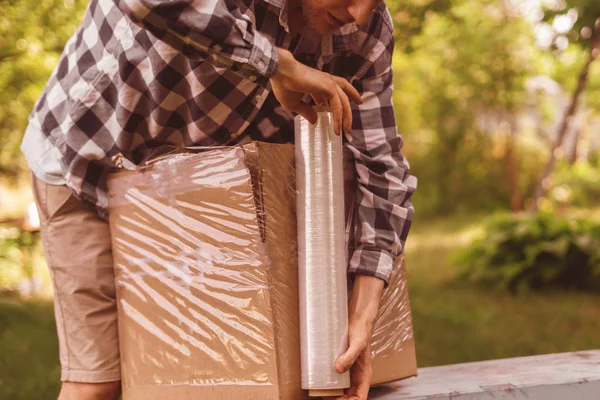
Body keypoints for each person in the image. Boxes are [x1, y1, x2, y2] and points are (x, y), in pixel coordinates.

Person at [21, 0, 417, 399]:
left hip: (193, 195)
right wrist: (278, 65)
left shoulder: (368, 34)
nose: (360, 13)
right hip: (90, 159)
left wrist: (362, 316)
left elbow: (382, 168)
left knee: (207, 377)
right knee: (100, 383)